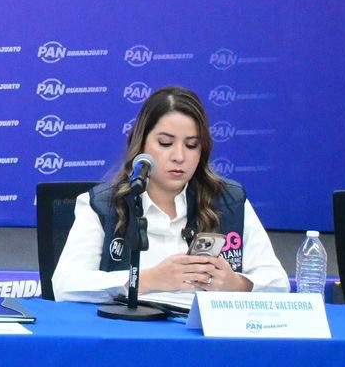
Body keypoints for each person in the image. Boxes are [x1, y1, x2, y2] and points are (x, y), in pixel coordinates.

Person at [52, 86, 287, 301]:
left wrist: (238, 284)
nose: (179, 156)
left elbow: (278, 283)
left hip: (203, 331)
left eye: (191, 145)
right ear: (141, 143)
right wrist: (145, 279)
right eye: (165, 143)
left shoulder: (229, 201)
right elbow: (64, 284)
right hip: (130, 329)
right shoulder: (103, 204)